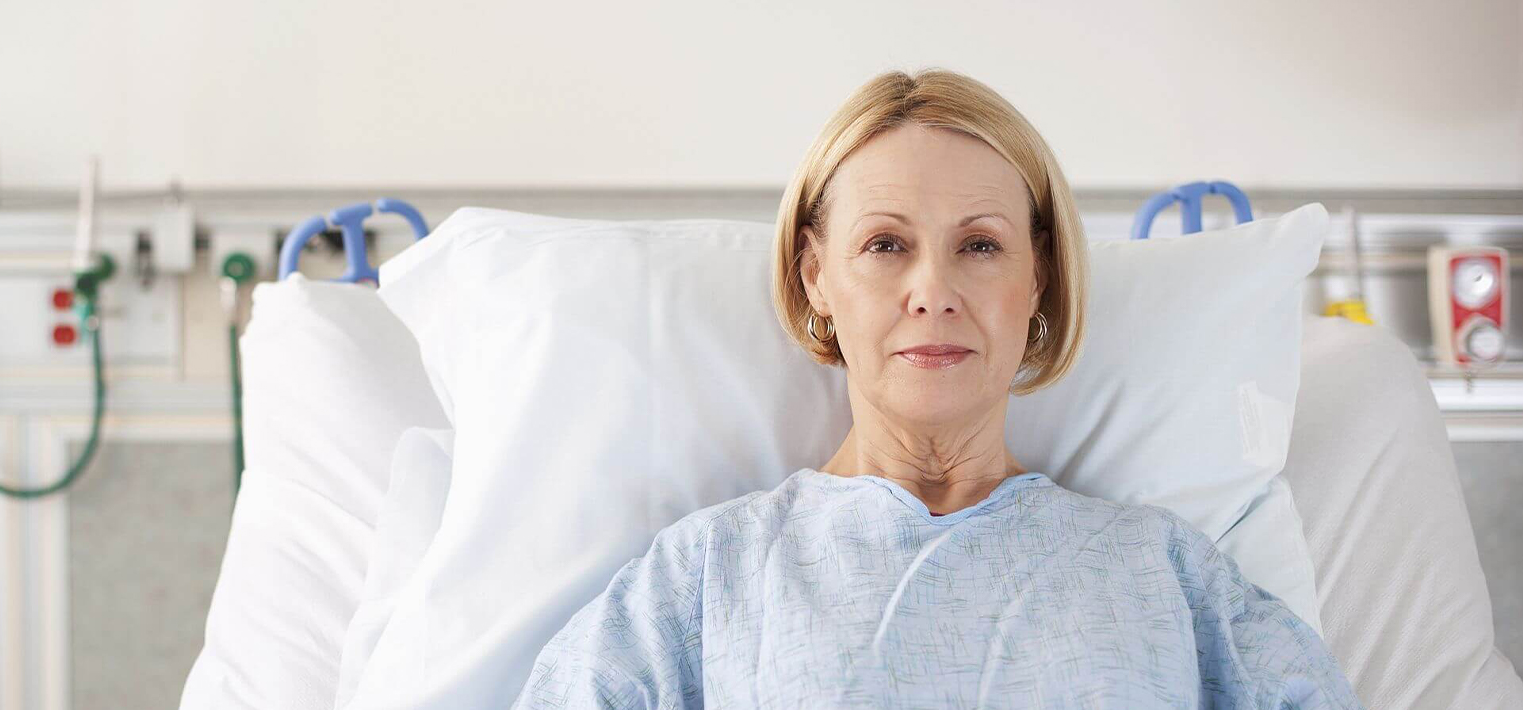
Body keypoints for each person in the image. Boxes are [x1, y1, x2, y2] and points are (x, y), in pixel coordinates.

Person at [512, 69, 1360, 708]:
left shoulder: (1163, 573)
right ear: (815, 277)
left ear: (1038, 279)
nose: (934, 290)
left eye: (980, 246)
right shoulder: (708, 577)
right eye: (886, 245)